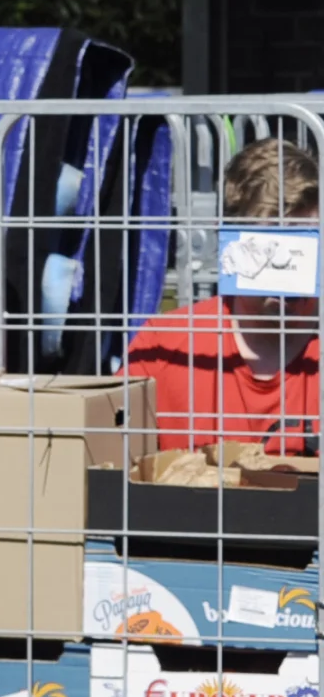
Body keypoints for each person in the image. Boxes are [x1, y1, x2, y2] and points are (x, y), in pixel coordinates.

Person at [126, 138, 321, 460]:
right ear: (227, 239)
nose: (284, 262)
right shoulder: (162, 346)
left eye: (302, 243)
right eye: (269, 242)